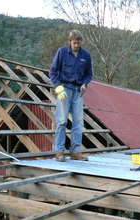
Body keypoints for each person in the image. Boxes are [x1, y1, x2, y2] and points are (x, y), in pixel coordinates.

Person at [49, 30, 93, 162]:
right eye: (74, 43)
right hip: (64, 90)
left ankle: (75, 151)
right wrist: (58, 87)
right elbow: (53, 71)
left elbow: (89, 74)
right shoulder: (62, 52)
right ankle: (59, 151)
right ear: (70, 41)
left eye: (78, 43)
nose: (76, 45)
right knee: (62, 121)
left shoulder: (86, 55)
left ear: (81, 42)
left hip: (78, 91)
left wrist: (85, 84)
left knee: (78, 122)